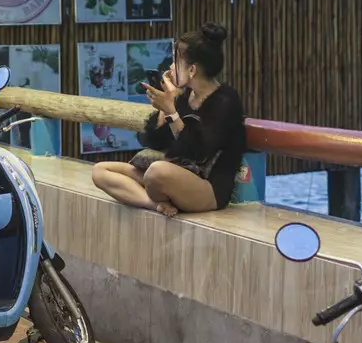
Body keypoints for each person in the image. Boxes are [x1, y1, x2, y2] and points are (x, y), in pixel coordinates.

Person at [92, 22, 247, 217]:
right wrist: (165, 107)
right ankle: (154, 205)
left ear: (191, 70)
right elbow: (152, 141)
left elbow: (198, 152)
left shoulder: (226, 101)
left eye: (176, 61)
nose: (171, 67)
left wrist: (172, 112)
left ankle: (159, 198)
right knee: (100, 171)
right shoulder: (185, 96)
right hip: (173, 174)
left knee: (156, 172)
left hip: (208, 188)